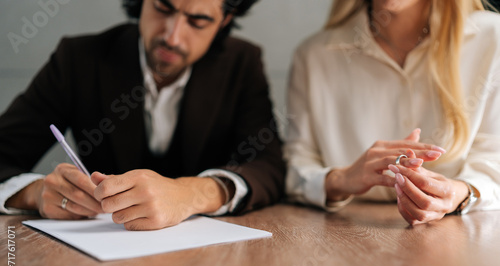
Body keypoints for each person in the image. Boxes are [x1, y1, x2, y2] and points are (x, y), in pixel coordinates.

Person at [0, 0, 285, 230]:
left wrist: (191, 193)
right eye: (162, 7)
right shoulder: (78, 59)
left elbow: (269, 165)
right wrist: (33, 193)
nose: (172, 37)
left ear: (224, 20)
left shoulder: (242, 64)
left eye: (198, 21)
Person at [285, 0, 500, 225]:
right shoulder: (314, 56)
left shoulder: (492, 38)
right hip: (347, 233)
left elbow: (495, 161)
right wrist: (340, 179)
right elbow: (296, 168)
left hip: (464, 235)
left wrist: (460, 193)